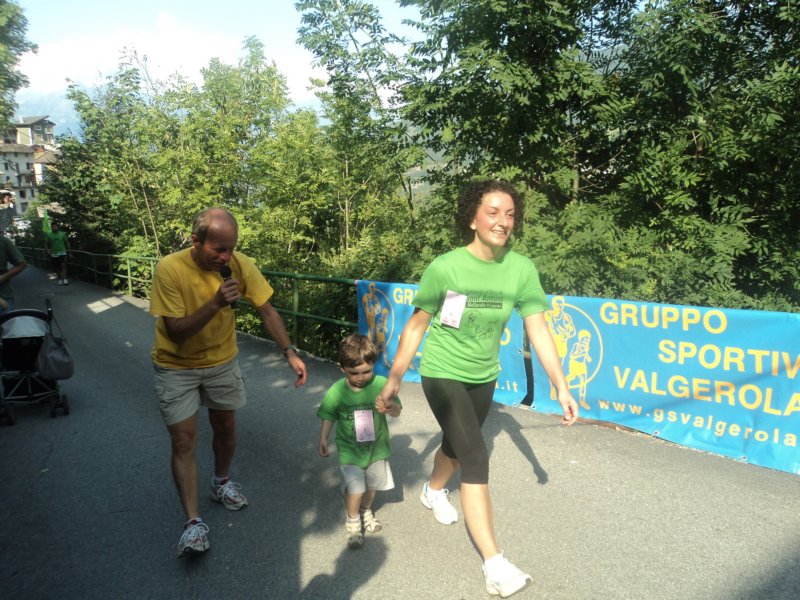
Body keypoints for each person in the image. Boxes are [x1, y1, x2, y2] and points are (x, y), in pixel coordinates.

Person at [375, 179, 580, 599]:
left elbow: (538, 330)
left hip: (484, 376)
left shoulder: (521, 269)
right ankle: (494, 564)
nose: (502, 221)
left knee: (455, 445)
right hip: (442, 372)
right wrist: (394, 378)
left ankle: (433, 491)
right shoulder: (447, 267)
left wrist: (561, 386)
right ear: (473, 219)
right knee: (475, 456)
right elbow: (416, 325)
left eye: (510, 214)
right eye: (493, 212)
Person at [149, 207, 308, 558]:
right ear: (196, 241)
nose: (226, 257)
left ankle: (221, 482)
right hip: (176, 365)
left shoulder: (240, 265)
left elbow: (267, 311)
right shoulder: (170, 269)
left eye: (231, 248)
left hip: (221, 362)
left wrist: (289, 352)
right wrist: (216, 302)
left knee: (226, 428)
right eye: (219, 249)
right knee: (183, 440)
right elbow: (176, 332)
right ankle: (193, 524)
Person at [318, 333, 402, 550]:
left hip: (376, 449)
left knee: (372, 487)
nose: (361, 377)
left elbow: (397, 411)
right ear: (342, 368)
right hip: (350, 451)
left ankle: (365, 511)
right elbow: (328, 414)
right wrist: (323, 438)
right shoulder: (338, 390)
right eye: (354, 372)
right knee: (356, 489)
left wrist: (390, 407)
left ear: (373, 365)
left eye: (367, 371)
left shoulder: (381, 384)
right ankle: (353, 521)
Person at [0, 233, 28, 313]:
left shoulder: (3, 241)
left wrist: (3, 277)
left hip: (4, 295)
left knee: (6, 320)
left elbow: (22, 264)